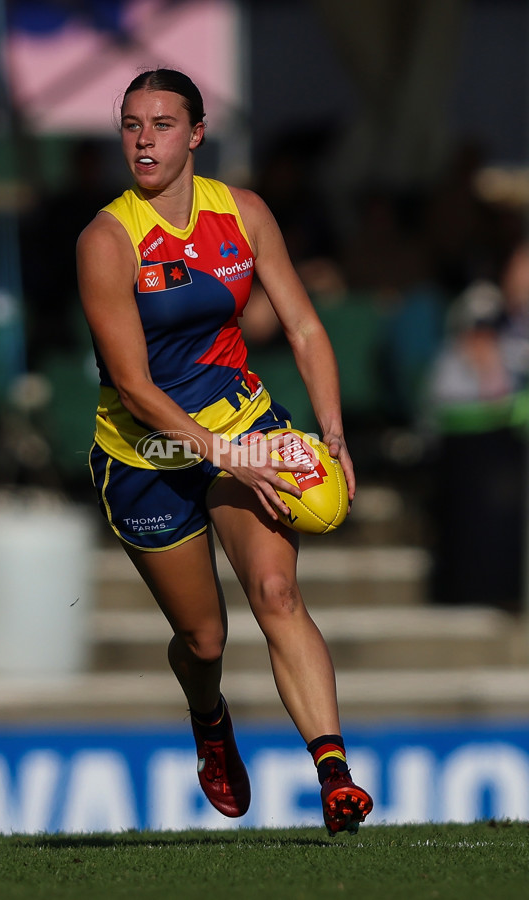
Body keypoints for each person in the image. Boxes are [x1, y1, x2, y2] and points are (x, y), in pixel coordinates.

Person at [76, 68, 373, 835]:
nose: (144, 140)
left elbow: (305, 329)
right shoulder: (107, 240)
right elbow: (136, 387)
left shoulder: (242, 213)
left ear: (197, 134)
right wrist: (223, 456)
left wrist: (332, 433)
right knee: (203, 638)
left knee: (276, 596)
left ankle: (334, 774)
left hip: (242, 422)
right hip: (145, 457)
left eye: (163, 124)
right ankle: (209, 718)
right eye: (132, 125)